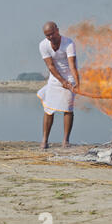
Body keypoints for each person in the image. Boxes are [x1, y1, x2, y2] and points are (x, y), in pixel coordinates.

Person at [37, 21, 80, 149]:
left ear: (57, 30)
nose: (50, 37)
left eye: (52, 34)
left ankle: (65, 141)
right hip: (55, 77)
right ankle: (44, 141)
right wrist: (62, 81)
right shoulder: (43, 45)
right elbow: (50, 66)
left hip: (70, 76)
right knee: (49, 109)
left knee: (68, 108)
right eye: (47, 35)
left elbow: (72, 65)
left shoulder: (69, 43)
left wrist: (76, 82)